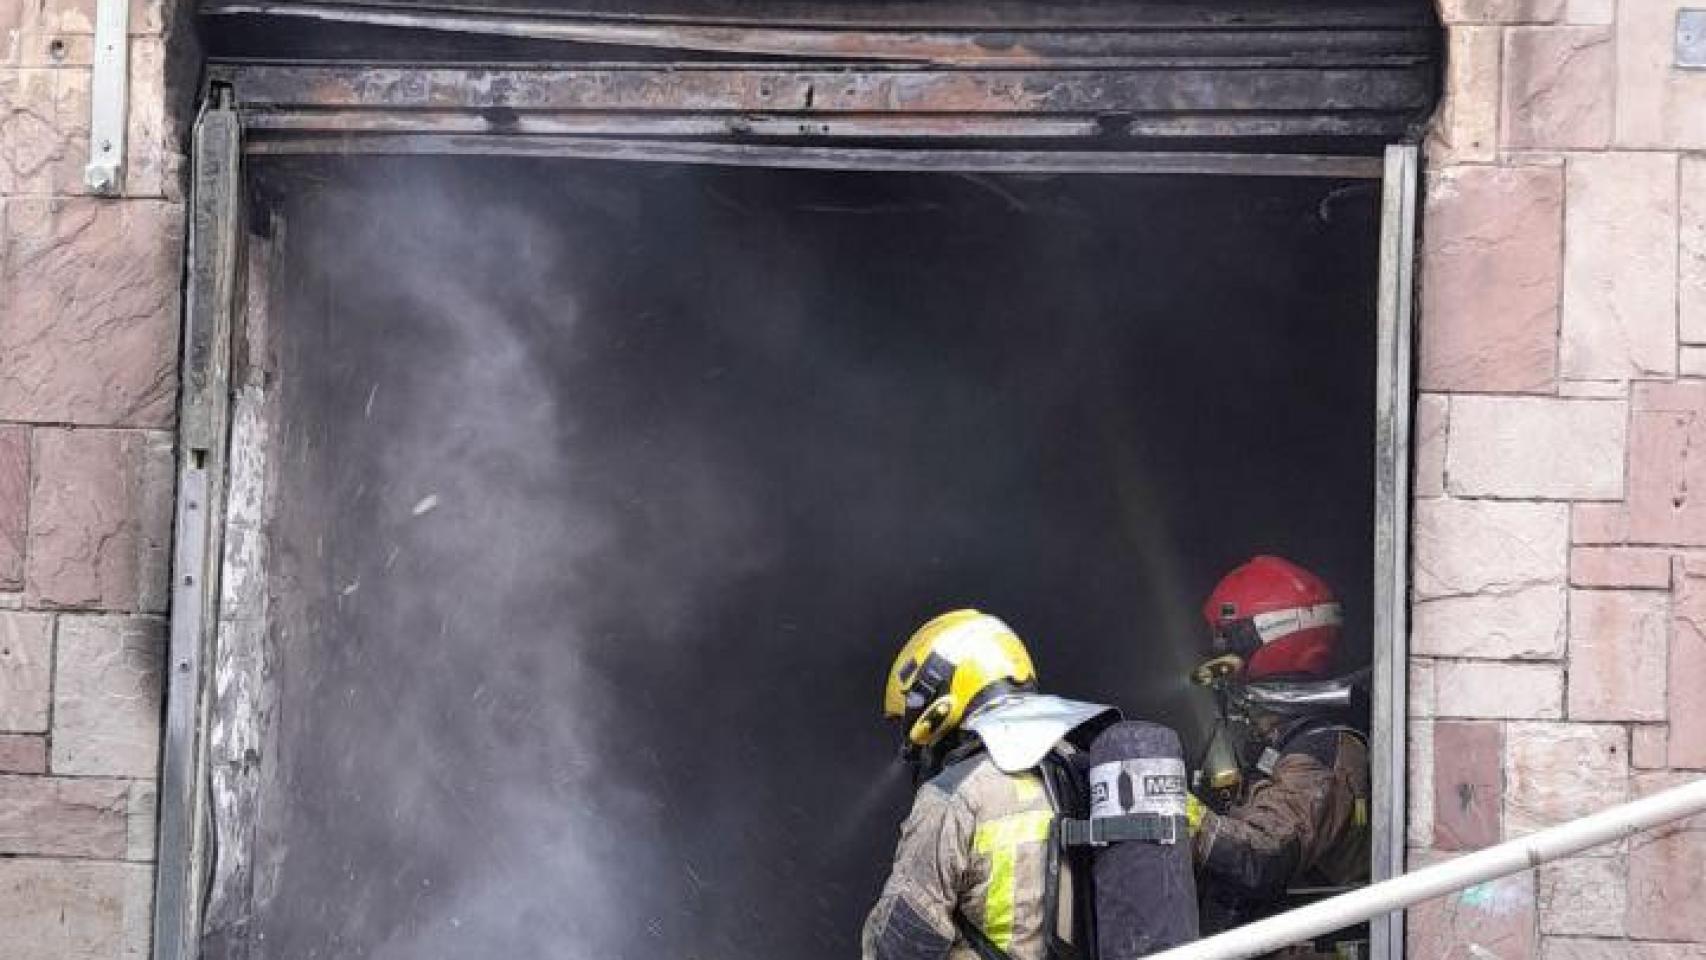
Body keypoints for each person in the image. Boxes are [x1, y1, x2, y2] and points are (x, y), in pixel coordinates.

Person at [861, 609, 1115, 960]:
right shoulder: (1107, 767)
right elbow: (1212, 849)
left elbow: (899, 946)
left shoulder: (956, 796)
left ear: (938, 699)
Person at [1185, 556, 1371, 940]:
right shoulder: (1280, 744)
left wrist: (1176, 817)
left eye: (1224, 641)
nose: (1216, 658)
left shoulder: (1322, 748)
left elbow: (1263, 855)